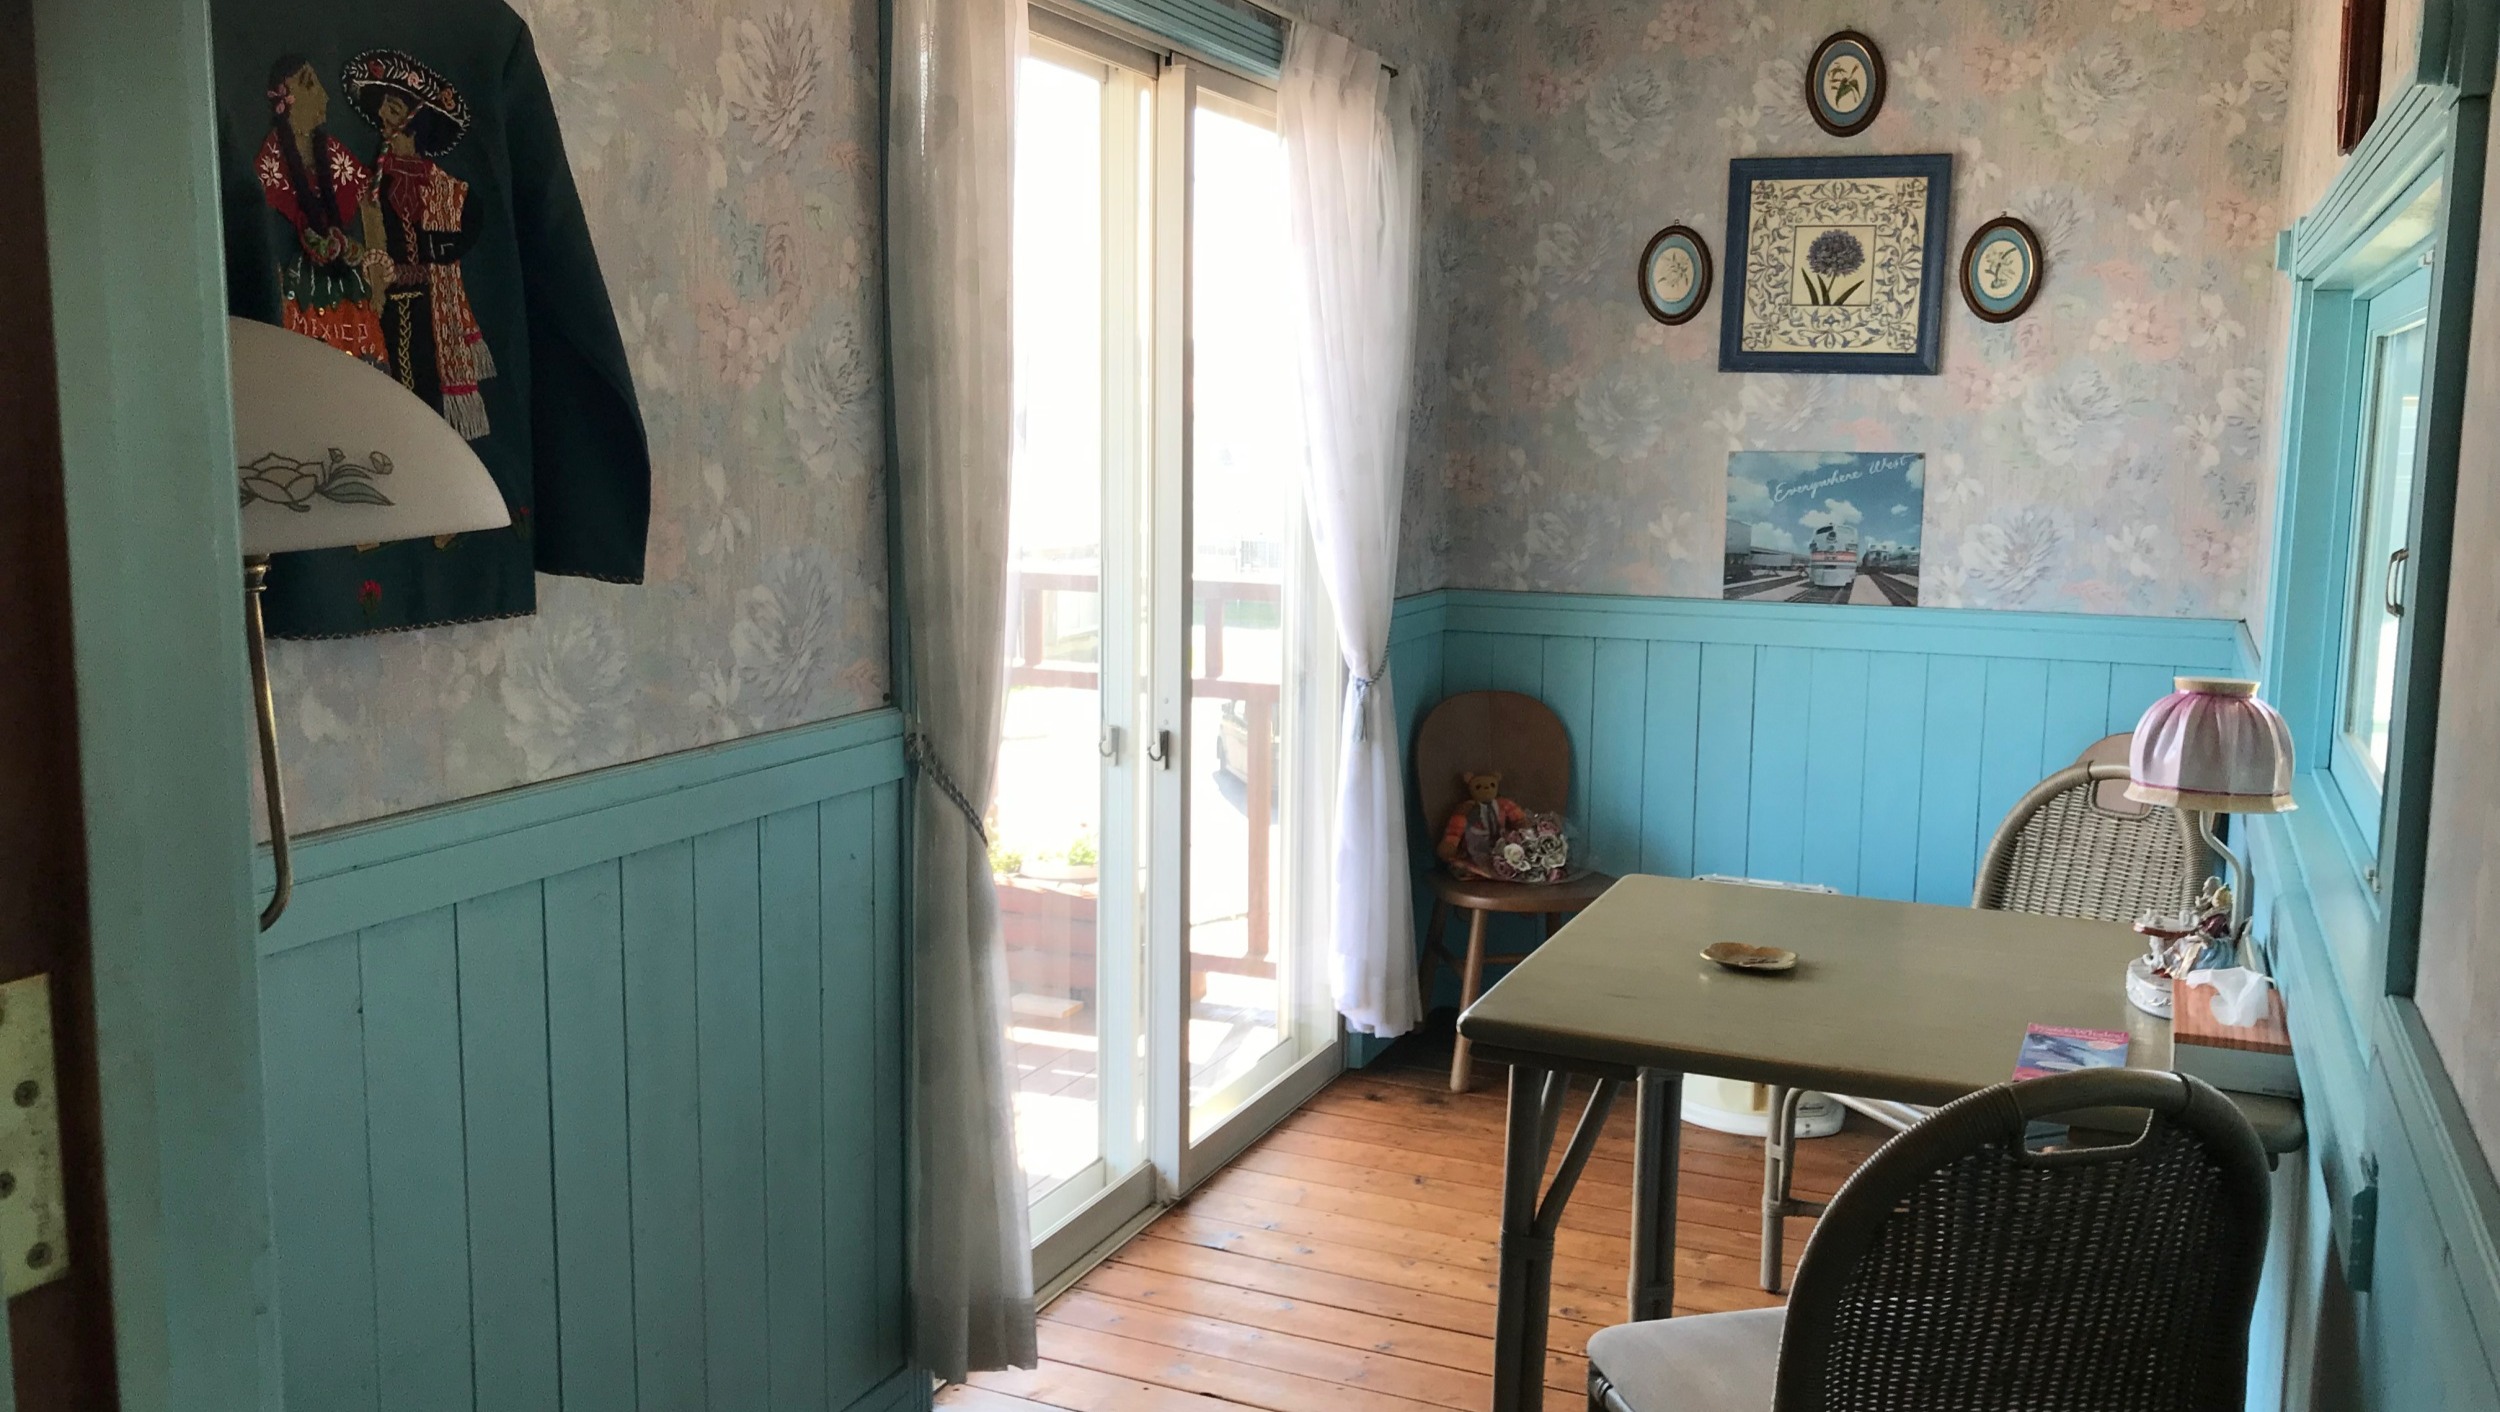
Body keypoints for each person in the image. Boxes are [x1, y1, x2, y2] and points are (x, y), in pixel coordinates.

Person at [343, 48, 497, 439]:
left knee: (427, 386)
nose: (383, 116)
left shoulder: (448, 189)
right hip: (384, 303)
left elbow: (465, 231)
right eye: (384, 107)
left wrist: (428, 260)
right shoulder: (370, 182)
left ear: (415, 121)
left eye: (394, 109)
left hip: (431, 304)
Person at [251, 54, 389, 366]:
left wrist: (377, 272)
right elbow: (255, 223)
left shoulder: (332, 152)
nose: (324, 96)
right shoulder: (272, 158)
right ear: (287, 97)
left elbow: (369, 204)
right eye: (310, 84)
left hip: (349, 286)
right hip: (299, 294)